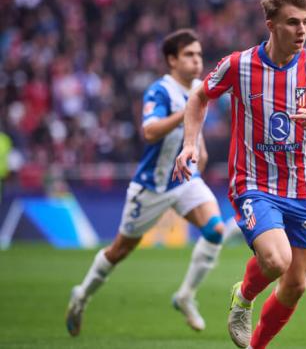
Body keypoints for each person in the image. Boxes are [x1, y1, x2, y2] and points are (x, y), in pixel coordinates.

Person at [172, 0, 306, 349]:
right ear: (271, 24)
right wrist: (190, 143)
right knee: (277, 260)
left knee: (297, 284)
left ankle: (256, 347)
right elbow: (199, 96)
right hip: (253, 182)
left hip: (300, 188)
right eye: (292, 22)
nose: (302, 30)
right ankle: (245, 295)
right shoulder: (239, 65)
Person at [66, 29, 225, 336]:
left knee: (215, 230)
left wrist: (200, 150)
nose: (197, 60)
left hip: (184, 180)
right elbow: (150, 132)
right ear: (171, 60)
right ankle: (81, 295)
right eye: (189, 55)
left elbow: (197, 128)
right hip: (151, 187)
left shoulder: (198, 89)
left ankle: (185, 295)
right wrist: (185, 112)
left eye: (199, 55)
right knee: (119, 251)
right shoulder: (160, 91)